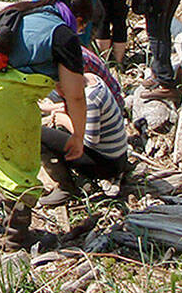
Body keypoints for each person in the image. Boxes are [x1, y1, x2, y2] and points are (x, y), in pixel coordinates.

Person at [0, 0, 94, 251]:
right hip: (0, 94)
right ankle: (15, 237)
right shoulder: (63, 35)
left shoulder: (25, 10)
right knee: (17, 161)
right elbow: (76, 96)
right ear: (79, 20)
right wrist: (78, 136)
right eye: (83, 26)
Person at [38, 47, 131, 205]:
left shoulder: (91, 98)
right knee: (55, 131)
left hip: (108, 164)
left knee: (39, 135)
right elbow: (76, 108)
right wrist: (53, 109)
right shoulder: (91, 79)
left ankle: (66, 187)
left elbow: (90, 141)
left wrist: (63, 120)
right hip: (117, 156)